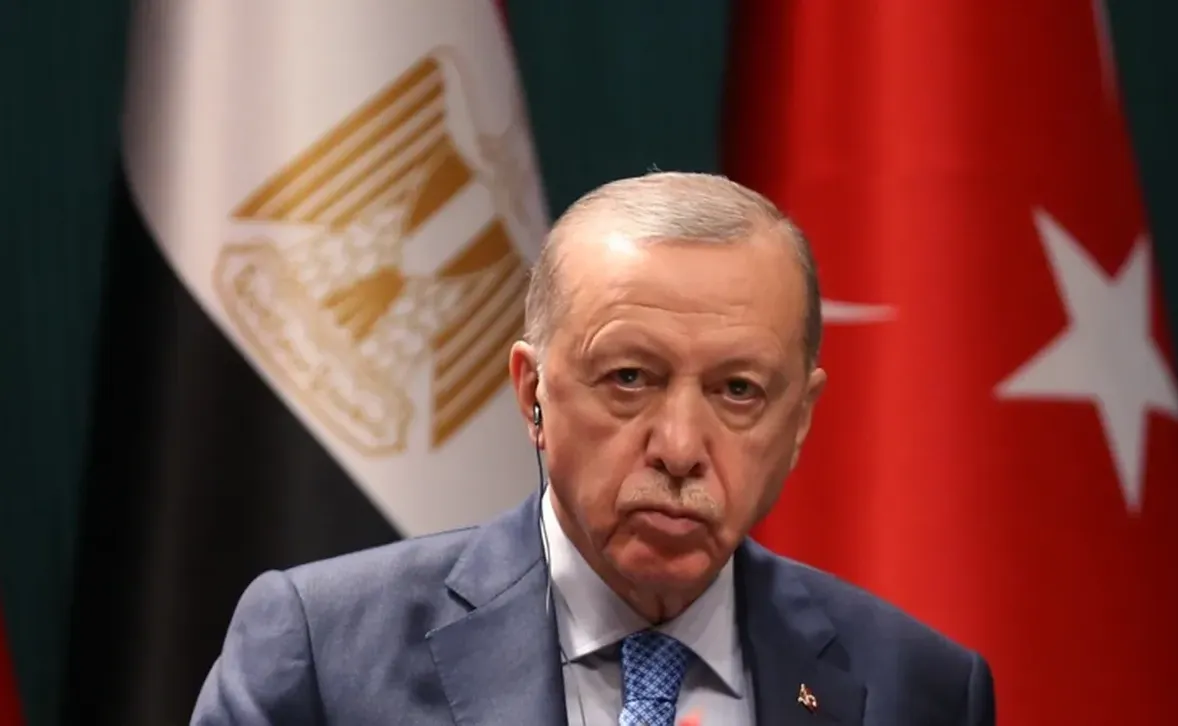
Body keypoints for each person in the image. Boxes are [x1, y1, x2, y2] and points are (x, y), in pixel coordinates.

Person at [190, 172, 996, 725]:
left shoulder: (919, 689)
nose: (679, 448)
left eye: (739, 391)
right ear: (532, 394)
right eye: (630, 378)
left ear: (800, 421)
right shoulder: (324, 652)